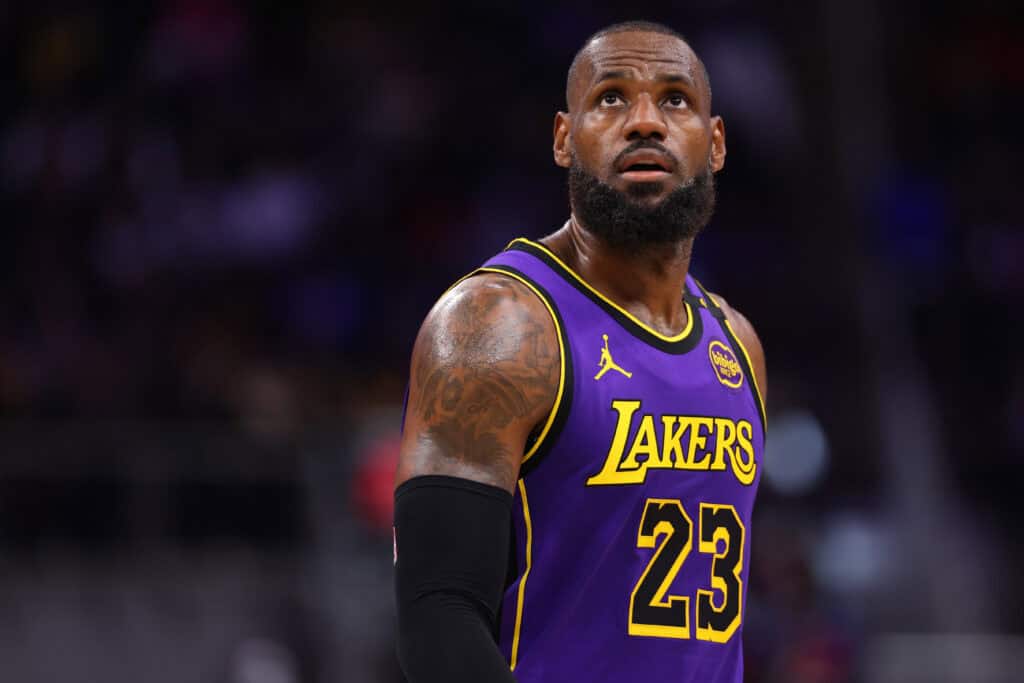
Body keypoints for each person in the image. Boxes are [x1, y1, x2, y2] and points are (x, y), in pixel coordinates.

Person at [393, 19, 767, 682]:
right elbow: (439, 617)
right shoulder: (498, 324)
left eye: (675, 99)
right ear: (565, 139)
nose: (645, 121)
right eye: (612, 97)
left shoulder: (737, 344)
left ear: (715, 144)